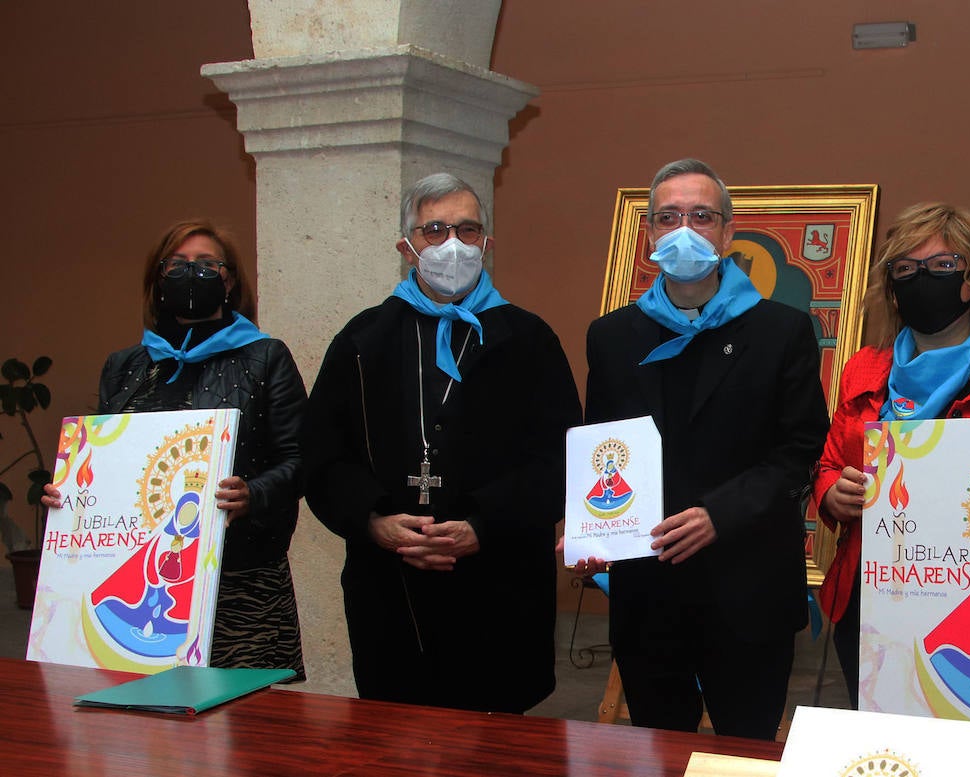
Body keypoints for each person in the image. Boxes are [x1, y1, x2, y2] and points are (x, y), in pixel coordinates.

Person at [571, 158, 829, 740]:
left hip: (749, 585)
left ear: (727, 232)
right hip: (649, 591)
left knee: (746, 751)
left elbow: (799, 449)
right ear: (649, 235)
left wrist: (720, 514)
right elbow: (603, 448)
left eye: (701, 216)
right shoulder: (611, 336)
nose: (683, 230)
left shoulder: (782, 331)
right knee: (656, 750)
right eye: (668, 217)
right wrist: (591, 528)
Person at [304, 173, 581, 713]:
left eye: (467, 230)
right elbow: (323, 454)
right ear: (406, 247)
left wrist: (483, 524)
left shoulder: (529, 339)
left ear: (487, 243)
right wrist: (374, 521)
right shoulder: (362, 339)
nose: (452, 244)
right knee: (394, 737)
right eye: (434, 230)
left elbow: (560, 458)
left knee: (497, 741)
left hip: (500, 581)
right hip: (391, 585)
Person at [812, 202, 970, 709]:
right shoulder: (863, 370)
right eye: (906, 269)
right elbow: (827, 466)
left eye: (943, 265)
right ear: (891, 285)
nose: (923, 279)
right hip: (873, 597)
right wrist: (832, 493)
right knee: (884, 740)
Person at [44, 220, 308, 678]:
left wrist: (253, 494)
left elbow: (302, 459)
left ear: (230, 281)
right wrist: (69, 496)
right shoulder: (125, 366)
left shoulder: (265, 357)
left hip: (241, 581)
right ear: (158, 278)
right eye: (178, 265)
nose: (192, 274)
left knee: (243, 715)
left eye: (207, 265)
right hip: (139, 578)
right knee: (143, 714)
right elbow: (104, 466)